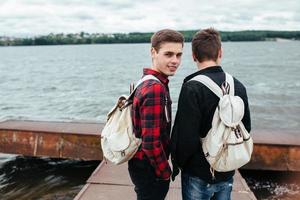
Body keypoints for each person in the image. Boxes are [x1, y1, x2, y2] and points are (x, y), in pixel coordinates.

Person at [170, 28, 251, 200]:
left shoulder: (192, 87)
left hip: (198, 173)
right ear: (220, 52)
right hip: (227, 170)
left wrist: (179, 165)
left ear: (193, 55)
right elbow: (246, 127)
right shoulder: (238, 86)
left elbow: (186, 137)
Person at [128, 29, 184, 200]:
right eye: (168, 54)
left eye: (179, 55)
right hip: (149, 168)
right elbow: (151, 143)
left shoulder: (146, 81)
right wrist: (165, 173)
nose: (175, 60)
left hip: (141, 165)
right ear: (153, 52)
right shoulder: (155, 88)